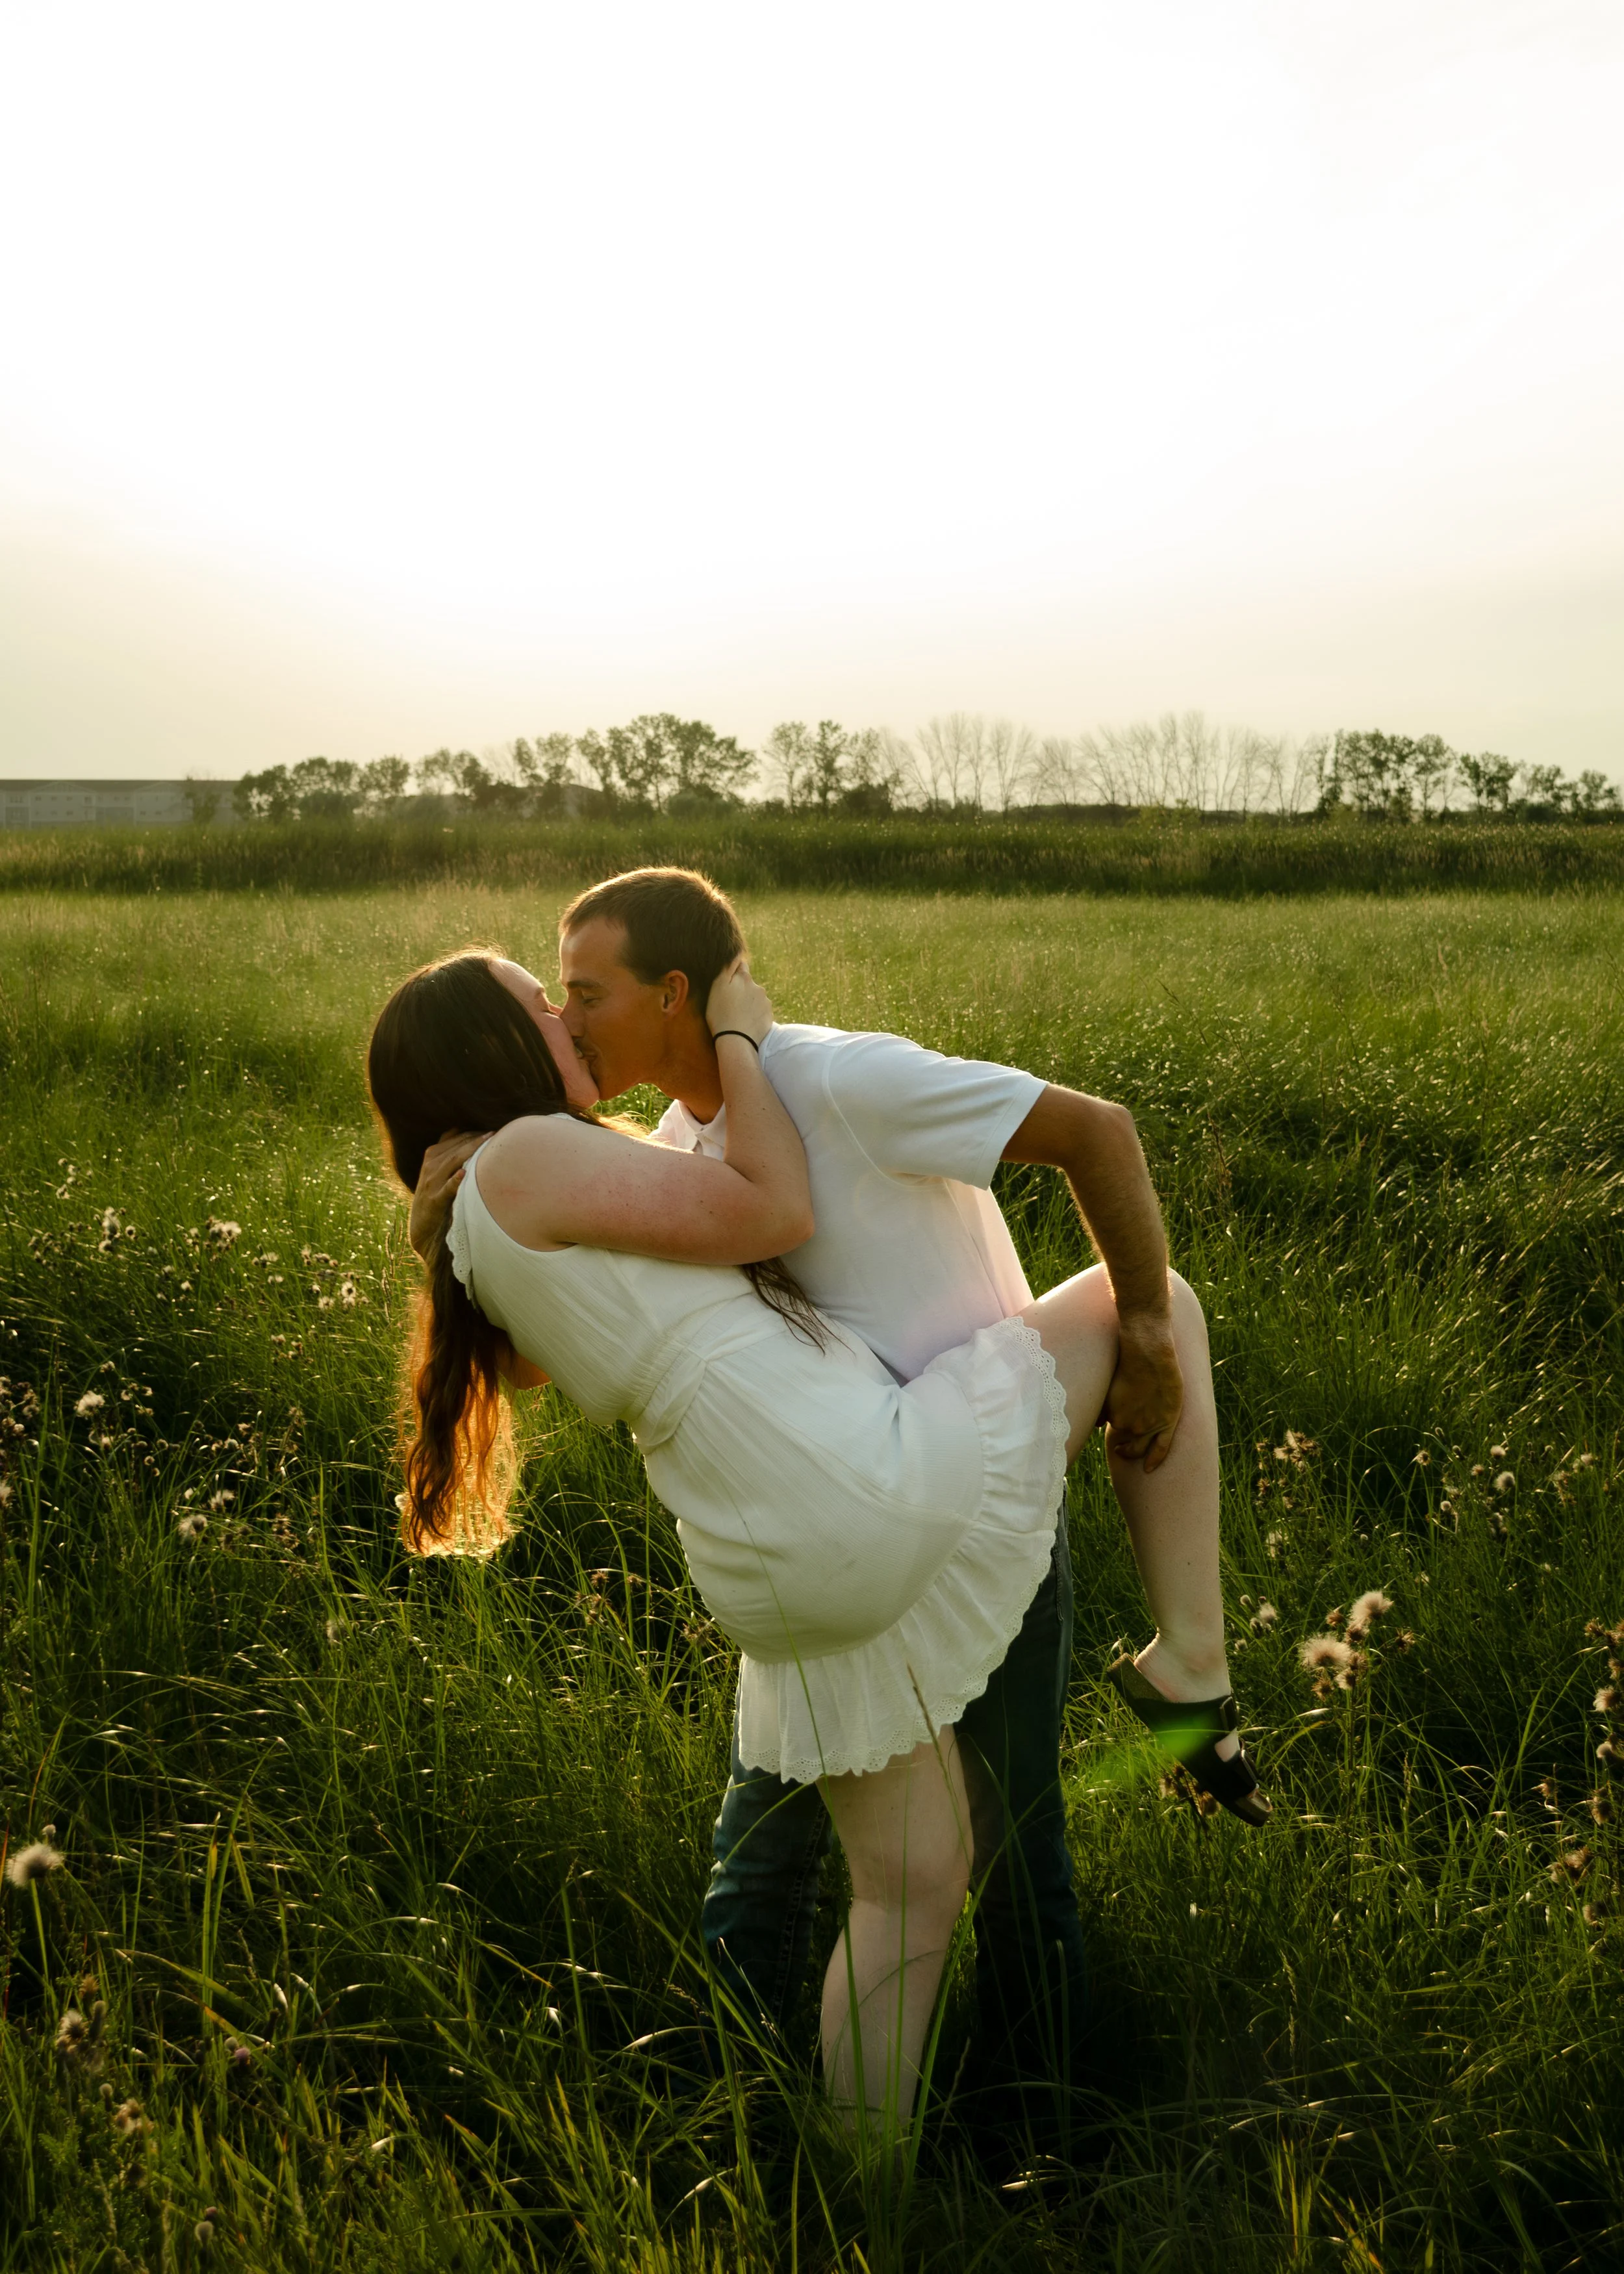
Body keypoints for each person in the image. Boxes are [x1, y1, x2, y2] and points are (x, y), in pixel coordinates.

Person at [385, 886, 1266, 2134]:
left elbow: (539, 1347)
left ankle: (865, 2204)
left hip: (771, 1558)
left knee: (908, 1891)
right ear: (491, 1051)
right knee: (1160, 1299)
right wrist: (741, 1036)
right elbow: (777, 1212)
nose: (570, 1026)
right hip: (877, 1485)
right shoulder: (556, 1157)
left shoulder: (520, 1193)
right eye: (550, 1007)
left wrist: (444, 1220)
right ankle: (1190, 1662)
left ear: (666, 992)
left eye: (580, 997)